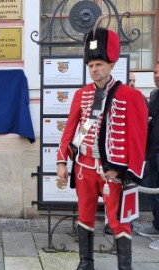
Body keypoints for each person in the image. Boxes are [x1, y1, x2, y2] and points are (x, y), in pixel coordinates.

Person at [57, 27, 148, 269]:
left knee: (118, 222)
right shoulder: (81, 95)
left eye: (99, 64)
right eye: (91, 65)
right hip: (83, 168)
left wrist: (123, 171)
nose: (94, 69)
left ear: (111, 64)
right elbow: (69, 131)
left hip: (112, 173)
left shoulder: (131, 96)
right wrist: (61, 162)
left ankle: (124, 267)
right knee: (85, 217)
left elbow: (138, 140)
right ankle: (86, 263)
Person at [103, 71, 137, 235]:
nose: (131, 83)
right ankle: (110, 224)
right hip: (103, 162)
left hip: (124, 164)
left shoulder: (136, 98)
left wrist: (128, 166)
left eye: (133, 80)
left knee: (125, 209)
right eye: (129, 80)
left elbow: (136, 135)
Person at [138, 61, 159, 250]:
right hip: (152, 151)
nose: (157, 75)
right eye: (155, 72)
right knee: (153, 191)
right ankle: (157, 226)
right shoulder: (154, 95)